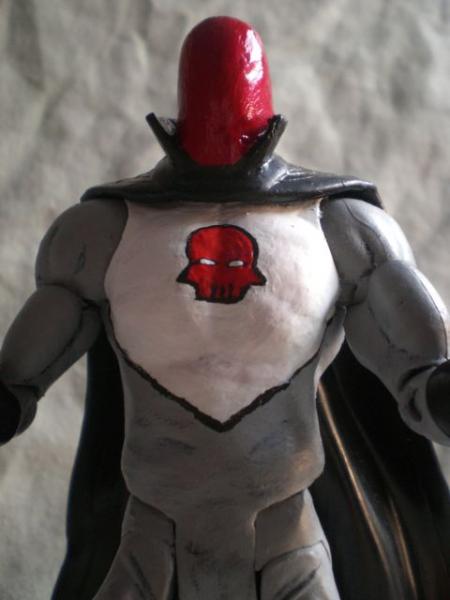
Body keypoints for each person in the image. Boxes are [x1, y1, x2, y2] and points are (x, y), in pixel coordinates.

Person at [0, 16, 449, 600]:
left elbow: (423, 377)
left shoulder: (339, 228)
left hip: (283, 526)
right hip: (154, 528)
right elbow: (18, 380)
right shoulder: (104, 231)